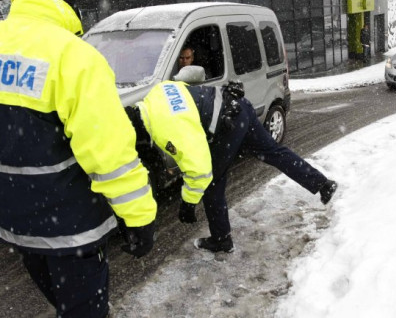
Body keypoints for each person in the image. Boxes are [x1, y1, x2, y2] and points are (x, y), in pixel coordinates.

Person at [0, 0, 157, 318]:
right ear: (69, 4)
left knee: (65, 303)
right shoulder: (74, 57)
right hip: (72, 225)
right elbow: (109, 152)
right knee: (84, 311)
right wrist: (138, 217)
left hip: (14, 221)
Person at [124, 69, 338, 253]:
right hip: (238, 105)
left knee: (212, 182)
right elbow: (192, 82)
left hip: (228, 126)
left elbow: (200, 170)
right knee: (274, 152)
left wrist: (188, 203)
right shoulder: (158, 91)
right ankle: (322, 184)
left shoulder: (167, 131)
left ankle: (221, 240)